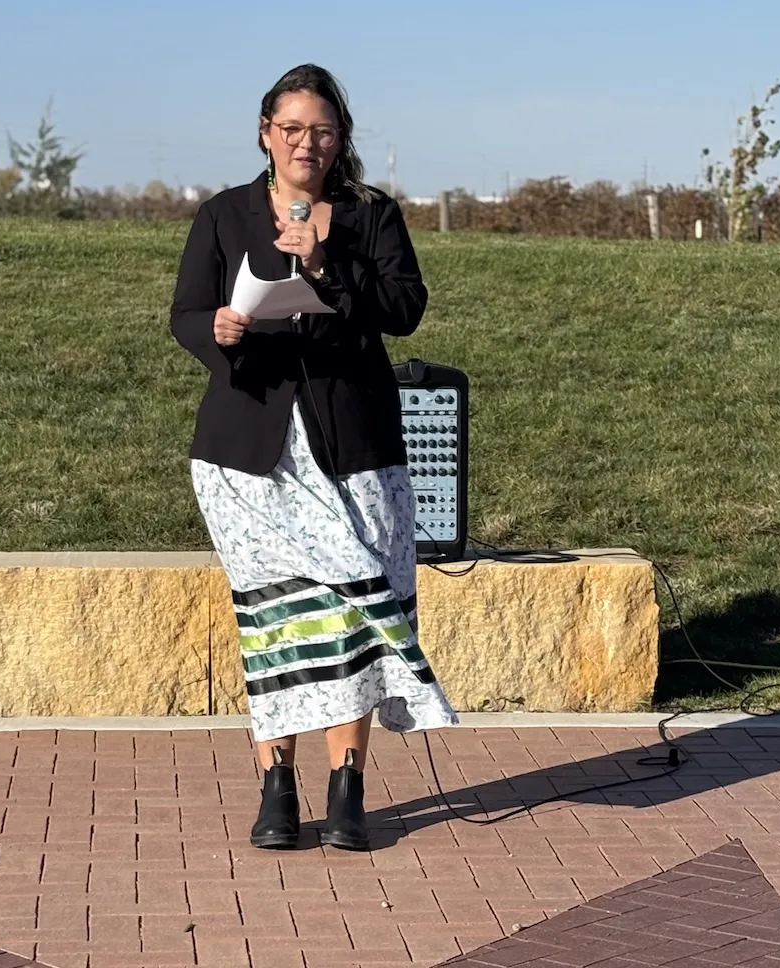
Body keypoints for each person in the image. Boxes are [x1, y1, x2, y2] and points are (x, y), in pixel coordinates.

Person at [169, 64, 458, 852]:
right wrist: (217, 331)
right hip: (247, 450)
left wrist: (328, 266)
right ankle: (277, 787)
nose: (306, 143)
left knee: (352, 616)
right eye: (292, 129)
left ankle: (347, 786)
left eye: (322, 131)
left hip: (353, 442)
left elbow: (405, 307)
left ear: (340, 139)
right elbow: (186, 312)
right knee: (276, 620)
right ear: (266, 133)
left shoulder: (371, 215)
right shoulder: (223, 215)